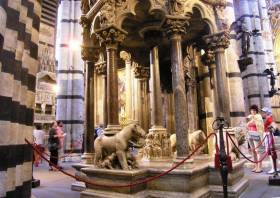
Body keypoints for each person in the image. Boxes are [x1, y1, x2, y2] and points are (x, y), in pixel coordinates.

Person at [247, 104, 264, 173]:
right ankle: (256, 166)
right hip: (250, 135)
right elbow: (248, 125)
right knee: (253, 151)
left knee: (258, 151)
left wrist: (250, 123)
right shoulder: (251, 117)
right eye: (251, 110)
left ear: (256, 111)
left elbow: (259, 125)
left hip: (256, 135)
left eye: (254, 110)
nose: (252, 111)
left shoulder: (258, 116)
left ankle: (260, 167)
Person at [261, 107, 277, 174]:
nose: (262, 113)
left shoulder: (269, 118)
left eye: (264, 112)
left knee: (270, 152)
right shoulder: (268, 118)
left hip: (268, 136)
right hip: (267, 135)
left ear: (266, 112)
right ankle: (274, 167)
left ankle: (273, 168)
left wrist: (271, 130)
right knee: (270, 152)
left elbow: (275, 126)